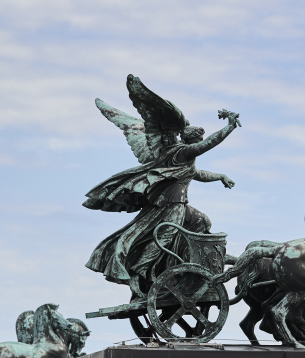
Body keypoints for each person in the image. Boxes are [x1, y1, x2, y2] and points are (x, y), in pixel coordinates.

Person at [85, 76, 240, 296]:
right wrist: (230, 127)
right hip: (171, 205)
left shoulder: (181, 158)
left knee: (201, 221)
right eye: (199, 139)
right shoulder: (183, 152)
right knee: (164, 238)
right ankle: (139, 274)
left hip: (177, 204)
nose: (200, 142)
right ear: (193, 140)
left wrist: (220, 176)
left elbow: (198, 174)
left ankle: (179, 265)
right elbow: (209, 144)